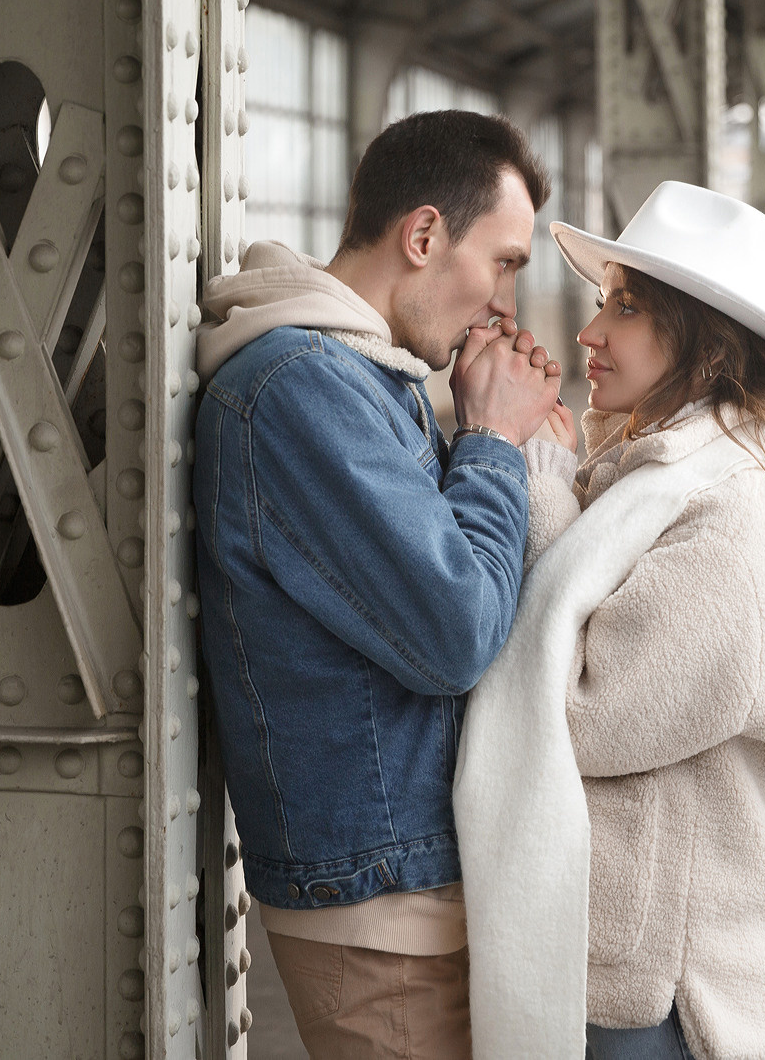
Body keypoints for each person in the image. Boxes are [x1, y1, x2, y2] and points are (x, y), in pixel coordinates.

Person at [191, 110, 563, 1060]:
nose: (506, 303)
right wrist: (490, 442)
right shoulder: (299, 386)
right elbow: (453, 631)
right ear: (426, 235)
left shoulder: (365, 372)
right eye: (506, 261)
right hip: (381, 907)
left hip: (408, 882)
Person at [454, 180, 765, 1060]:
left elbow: (588, 711)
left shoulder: (734, 512)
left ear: (706, 346)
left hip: (674, 998)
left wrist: (540, 476)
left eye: (624, 308)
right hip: (632, 967)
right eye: (603, 302)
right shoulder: (654, 476)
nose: (589, 332)